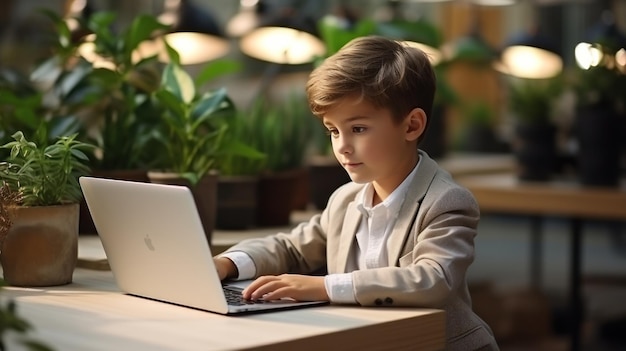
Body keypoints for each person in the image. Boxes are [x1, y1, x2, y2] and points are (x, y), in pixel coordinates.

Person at [213, 35, 499, 351]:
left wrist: (326, 287)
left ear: (411, 126)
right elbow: (293, 248)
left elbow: (433, 279)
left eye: (358, 129)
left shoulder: (446, 201)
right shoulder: (346, 199)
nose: (342, 146)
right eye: (333, 131)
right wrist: (228, 263)